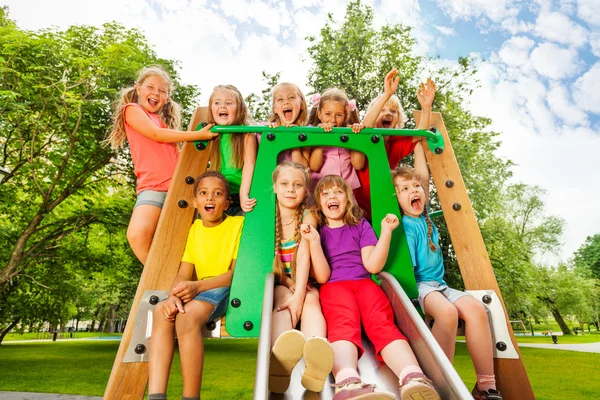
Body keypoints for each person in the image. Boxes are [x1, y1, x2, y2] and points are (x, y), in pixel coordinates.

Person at [301, 175, 440, 400]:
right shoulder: (321, 232)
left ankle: (412, 376)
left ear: (348, 198)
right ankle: (347, 381)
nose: (332, 197)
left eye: (337, 192)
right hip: (334, 287)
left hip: (364, 284)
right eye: (325, 194)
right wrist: (315, 242)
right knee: (342, 324)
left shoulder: (360, 225)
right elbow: (323, 276)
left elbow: (372, 264)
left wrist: (386, 231)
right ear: (319, 204)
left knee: (382, 324)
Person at [393, 142, 502, 400]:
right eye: (405, 189)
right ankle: (443, 379)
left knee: (477, 310)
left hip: (440, 284)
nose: (413, 190)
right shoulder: (404, 224)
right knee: (448, 313)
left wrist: (418, 142)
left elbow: (424, 175)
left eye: (416, 187)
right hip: (418, 286)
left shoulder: (426, 214)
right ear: (395, 197)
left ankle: (486, 385)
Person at [147, 171, 244, 400]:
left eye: (217, 194)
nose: (210, 198)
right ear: (195, 202)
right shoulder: (194, 229)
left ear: (227, 203)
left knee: (187, 316)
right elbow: (183, 272)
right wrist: (173, 296)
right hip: (198, 288)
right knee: (162, 311)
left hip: (225, 287)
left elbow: (235, 274)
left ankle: (191, 397)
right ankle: (156, 395)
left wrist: (197, 287)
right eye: (203, 193)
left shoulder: (238, 224)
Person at [107, 65, 217, 264]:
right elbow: (156, 135)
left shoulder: (162, 123)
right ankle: (160, 278)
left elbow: (177, 154)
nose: (156, 93)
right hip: (153, 186)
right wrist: (198, 135)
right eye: (151, 87)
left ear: (167, 98)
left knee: (182, 243)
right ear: (138, 88)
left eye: (162, 91)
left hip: (179, 186)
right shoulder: (132, 110)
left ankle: (178, 280)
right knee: (138, 235)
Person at [268, 161, 333, 394]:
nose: (290, 190)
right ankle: (279, 358)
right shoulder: (268, 216)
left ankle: (316, 350)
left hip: (305, 280)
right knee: (281, 301)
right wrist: (290, 287)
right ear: (274, 187)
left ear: (305, 190)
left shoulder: (308, 215)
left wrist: (299, 292)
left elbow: (304, 254)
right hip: (281, 281)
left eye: (297, 185)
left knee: (311, 300)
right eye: (284, 184)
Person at [356, 69, 436, 219]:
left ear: (398, 120)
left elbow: (421, 133)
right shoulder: (365, 136)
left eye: (393, 111)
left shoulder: (397, 141)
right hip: (357, 205)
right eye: (382, 110)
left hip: (384, 203)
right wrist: (387, 94)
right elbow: (366, 124)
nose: (388, 114)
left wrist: (426, 107)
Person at [206, 84, 257, 215]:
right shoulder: (209, 134)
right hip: (217, 197)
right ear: (211, 108)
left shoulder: (246, 134)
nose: (223, 106)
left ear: (239, 109)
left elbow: (250, 164)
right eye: (217, 102)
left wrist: (244, 194)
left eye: (229, 103)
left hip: (240, 195)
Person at [307, 88, 365, 195]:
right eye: (328, 114)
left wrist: (357, 136)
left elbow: (358, 165)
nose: (333, 120)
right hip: (320, 192)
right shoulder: (313, 135)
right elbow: (314, 166)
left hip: (345, 194)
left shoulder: (348, 134)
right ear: (319, 114)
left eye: (338, 115)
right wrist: (320, 137)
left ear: (345, 115)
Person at [267, 82, 310, 167]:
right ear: (275, 108)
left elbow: (303, 167)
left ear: (301, 104)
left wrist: (293, 138)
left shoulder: (306, 132)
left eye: (291, 97)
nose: (286, 102)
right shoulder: (266, 128)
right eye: (280, 99)